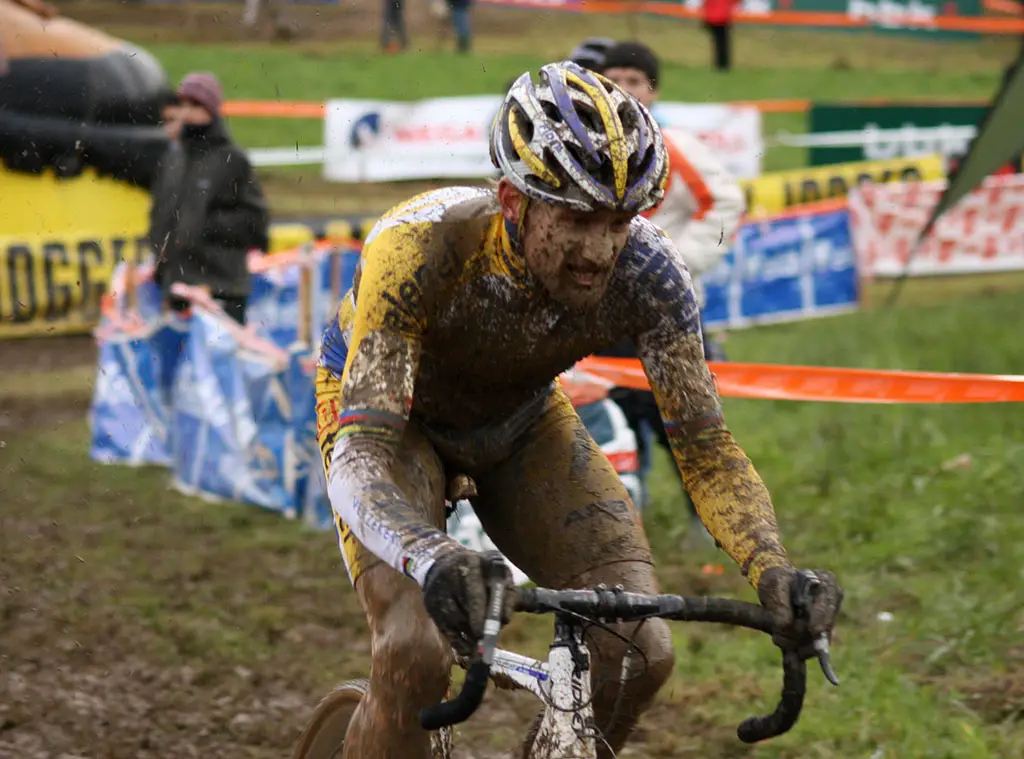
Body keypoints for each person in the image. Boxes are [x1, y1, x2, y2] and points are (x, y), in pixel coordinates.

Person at [313, 60, 842, 759]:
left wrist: (773, 569)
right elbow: (364, 450)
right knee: (415, 647)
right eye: (578, 219)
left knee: (637, 651)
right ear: (512, 201)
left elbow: (708, 450)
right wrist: (431, 552)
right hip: (393, 425)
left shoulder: (651, 276)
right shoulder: (420, 245)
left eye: (621, 221)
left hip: (520, 418)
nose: (601, 250)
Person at [598, 41, 745, 530]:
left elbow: (726, 203)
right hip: (597, 321)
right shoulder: (583, 148)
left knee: (691, 430)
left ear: (653, 91)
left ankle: (718, 529)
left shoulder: (673, 146)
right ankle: (622, 532)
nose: (622, 87)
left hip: (669, 317)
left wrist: (681, 262)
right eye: (612, 77)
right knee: (611, 429)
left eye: (634, 80)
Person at [148, 72, 269, 326]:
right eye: (183, 104)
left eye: (195, 105)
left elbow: (256, 222)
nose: (187, 112)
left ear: (211, 109)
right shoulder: (172, 160)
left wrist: (204, 229)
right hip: (176, 287)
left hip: (220, 287)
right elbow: (160, 214)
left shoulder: (232, 159)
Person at [703, 0, 739, 71]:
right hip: (722, 18)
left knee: (718, 43)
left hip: (711, 18)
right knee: (723, 43)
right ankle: (723, 65)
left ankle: (719, 64)